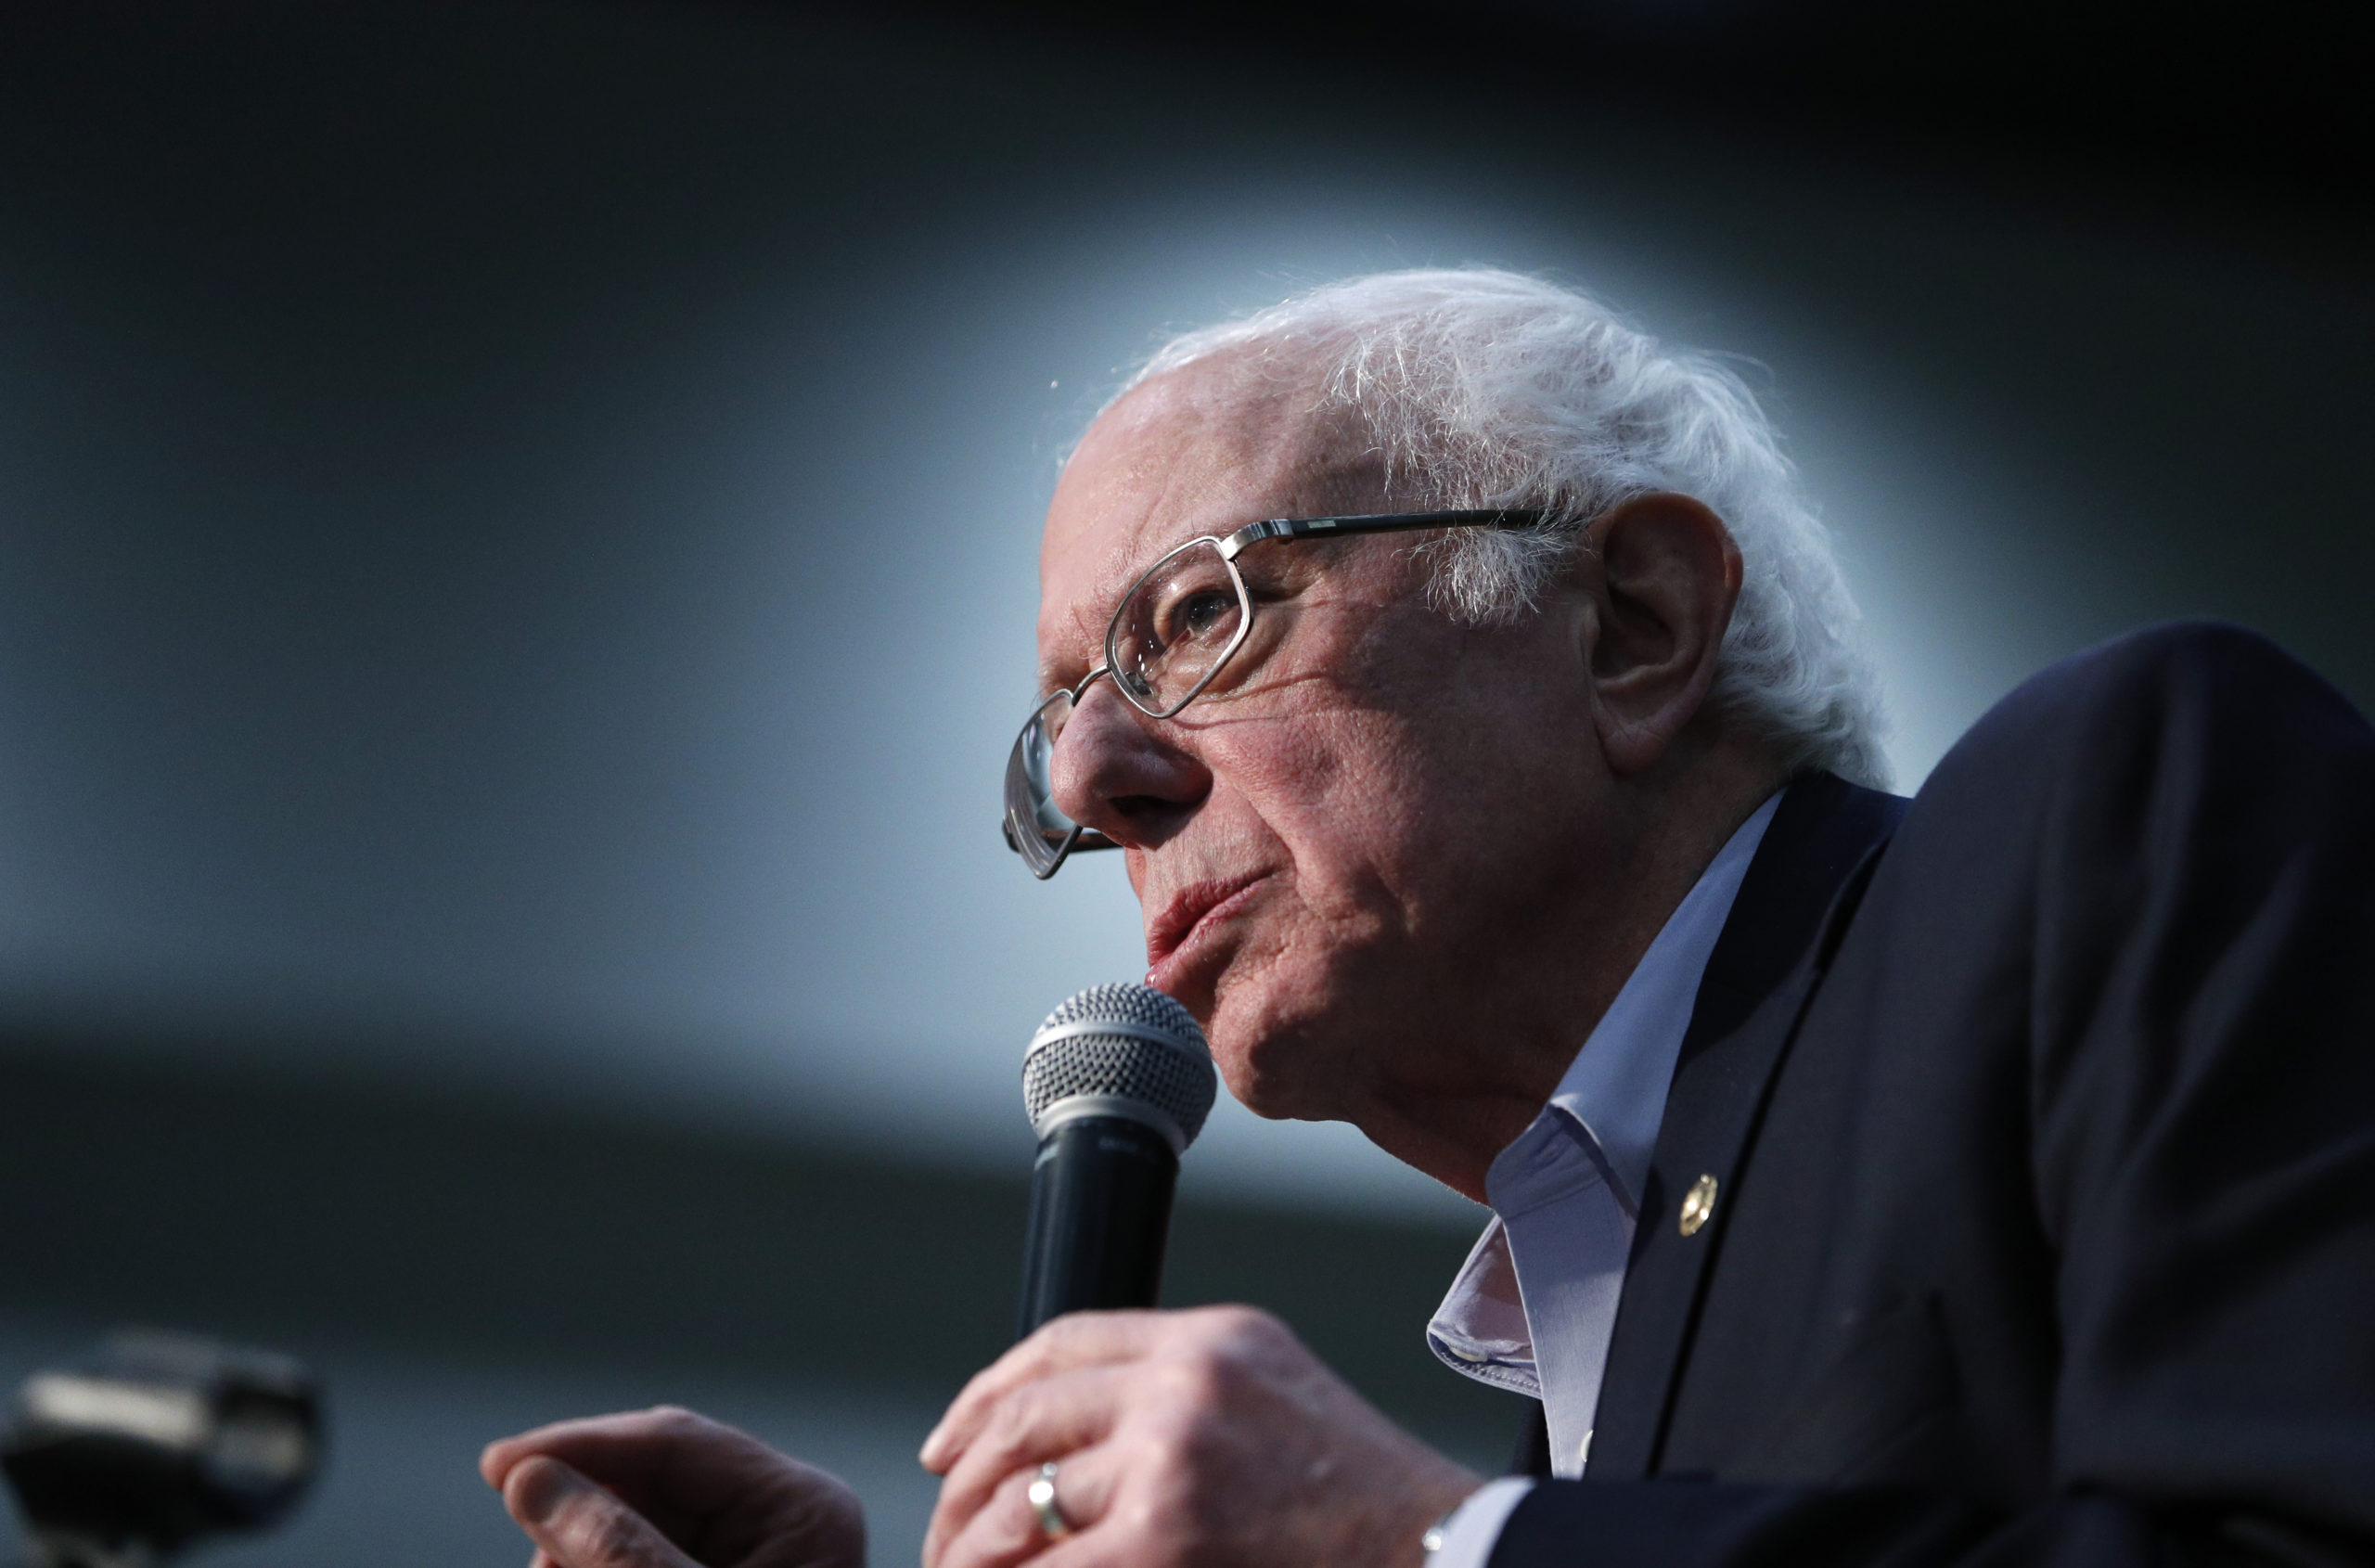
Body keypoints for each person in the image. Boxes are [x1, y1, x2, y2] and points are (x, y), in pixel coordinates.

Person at [480, 270, 2375, 1568]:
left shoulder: (2109, 809)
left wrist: (1423, 1541)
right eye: (1056, 713)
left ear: (1628, 621)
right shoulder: (1573, 1367)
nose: (1090, 787)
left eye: (1200, 618)